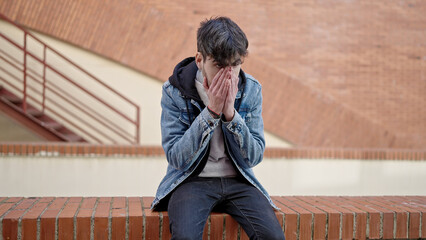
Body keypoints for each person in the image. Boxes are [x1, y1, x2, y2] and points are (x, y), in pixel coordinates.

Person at [151, 16, 285, 240]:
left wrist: (230, 114)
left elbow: (253, 157)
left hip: (239, 181)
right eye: (220, 66)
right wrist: (211, 112)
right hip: (191, 181)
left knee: (273, 237)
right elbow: (176, 157)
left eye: (235, 64)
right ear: (200, 60)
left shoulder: (250, 89)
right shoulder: (174, 91)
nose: (229, 75)